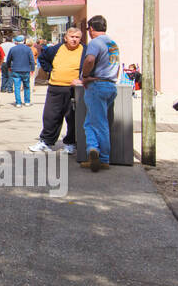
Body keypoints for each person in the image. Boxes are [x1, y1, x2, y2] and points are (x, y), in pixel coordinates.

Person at [29, 27, 83, 154]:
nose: (74, 40)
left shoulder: (84, 50)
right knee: (50, 116)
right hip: (55, 87)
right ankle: (46, 142)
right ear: (66, 38)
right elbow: (43, 58)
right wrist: (50, 70)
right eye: (72, 37)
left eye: (77, 37)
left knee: (72, 118)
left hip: (73, 89)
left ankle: (70, 143)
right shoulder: (56, 48)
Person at [80, 15, 121, 171]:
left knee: (100, 123)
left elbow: (89, 60)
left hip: (97, 85)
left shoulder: (95, 43)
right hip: (110, 85)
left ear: (91, 28)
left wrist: (85, 76)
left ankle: (103, 158)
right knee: (90, 122)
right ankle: (92, 150)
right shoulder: (113, 44)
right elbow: (116, 67)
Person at [6, 34, 36, 106]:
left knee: (17, 86)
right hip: (26, 70)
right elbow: (32, 60)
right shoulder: (28, 49)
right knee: (26, 86)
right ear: (24, 41)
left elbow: (8, 59)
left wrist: (9, 67)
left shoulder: (13, 49)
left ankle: (18, 103)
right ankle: (27, 101)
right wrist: (32, 69)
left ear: (16, 42)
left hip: (16, 70)